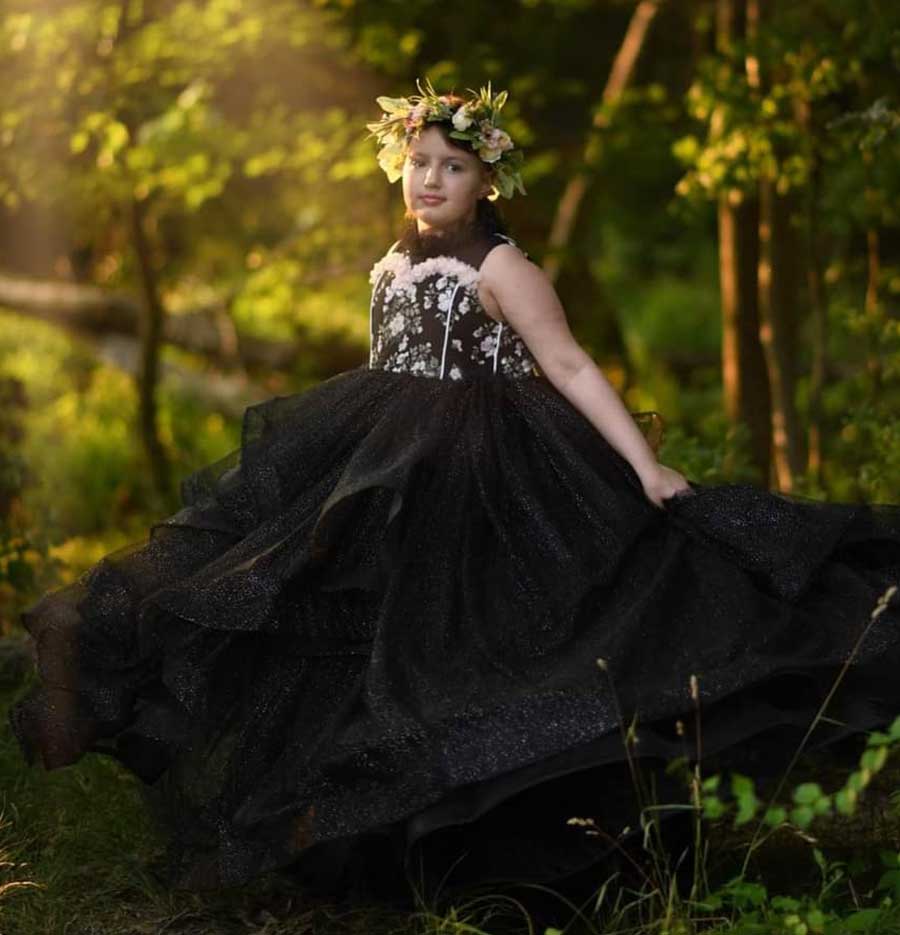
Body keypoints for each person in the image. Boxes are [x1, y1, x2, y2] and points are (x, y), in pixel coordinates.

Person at [8, 77, 900, 910]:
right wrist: (355, 467)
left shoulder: (503, 269)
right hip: (387, 457)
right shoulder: (393, 262)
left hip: (492, 466)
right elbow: (385, 362)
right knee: (345, 623)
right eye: (421, 163)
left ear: (488, 182)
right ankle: (363, 841)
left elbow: (569, 362)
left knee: (479, 641)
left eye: (455, 168)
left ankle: (510, 834)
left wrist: (645, 465)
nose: (431, 180)